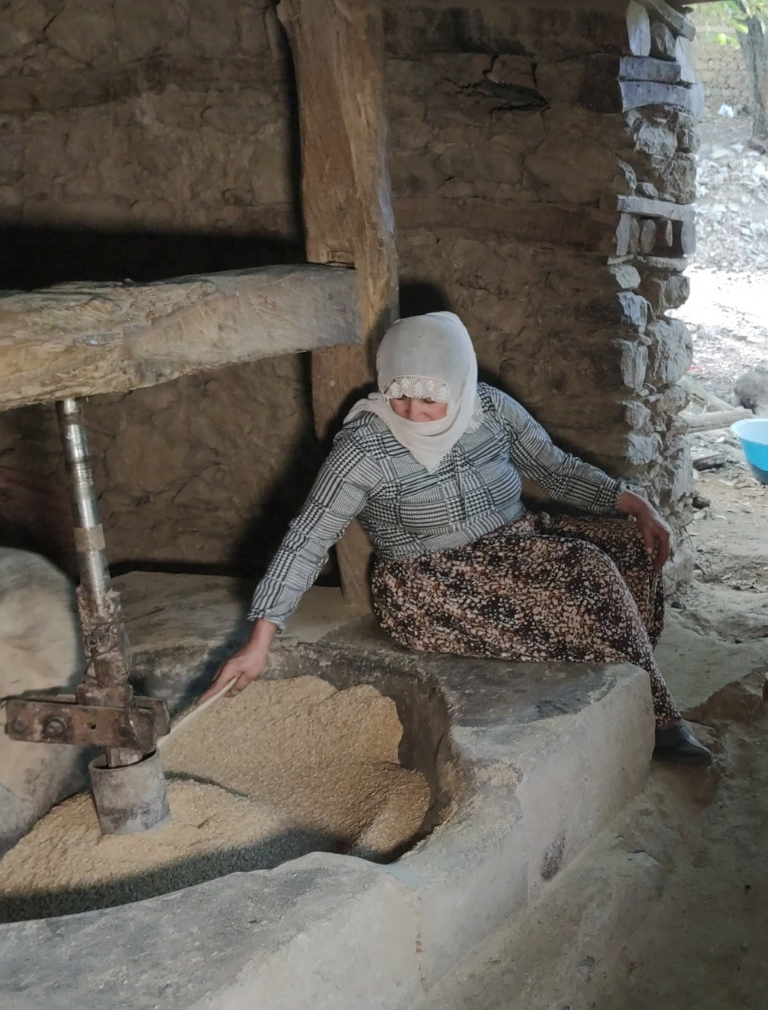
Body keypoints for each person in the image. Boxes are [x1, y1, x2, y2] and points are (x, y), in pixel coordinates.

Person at [199, 312, 712, 766]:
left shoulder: (489, 408)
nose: (413, 412)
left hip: (519, 540)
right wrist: (259, 642)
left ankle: (623, 670)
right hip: (434, 581)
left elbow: (556, 470)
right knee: (589, 574)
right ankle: (661, 722)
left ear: (459, 384)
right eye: (399, 394)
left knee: (626, 547)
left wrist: (637, 504)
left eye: (430, 398)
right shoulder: (364, 448)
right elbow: (307, 540)